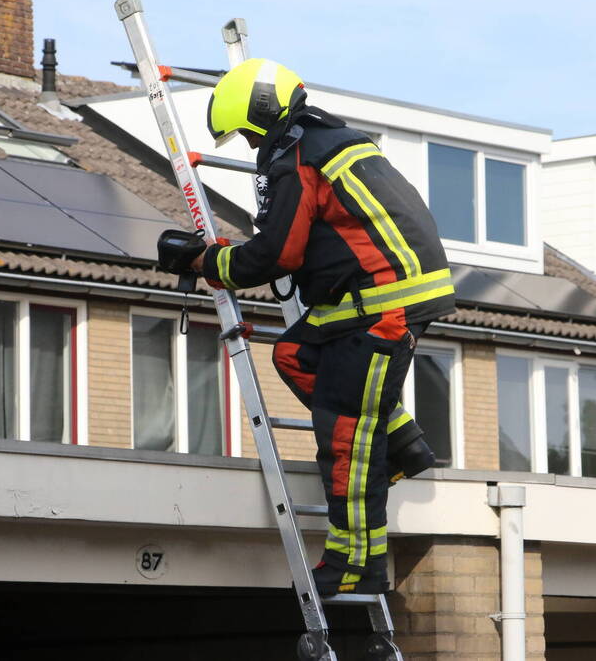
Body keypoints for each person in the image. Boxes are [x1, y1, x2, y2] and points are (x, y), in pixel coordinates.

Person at [193, 58, 456, 596]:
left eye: (247, 132)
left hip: (380, 306)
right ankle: (404, 444)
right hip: (370, 300)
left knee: (347, 437)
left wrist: (206, 262)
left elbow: (277, 254)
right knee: (295, 355)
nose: (249, 144)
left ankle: (356, 563)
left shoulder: (298, 159)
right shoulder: (330, 141)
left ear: (261, 114)